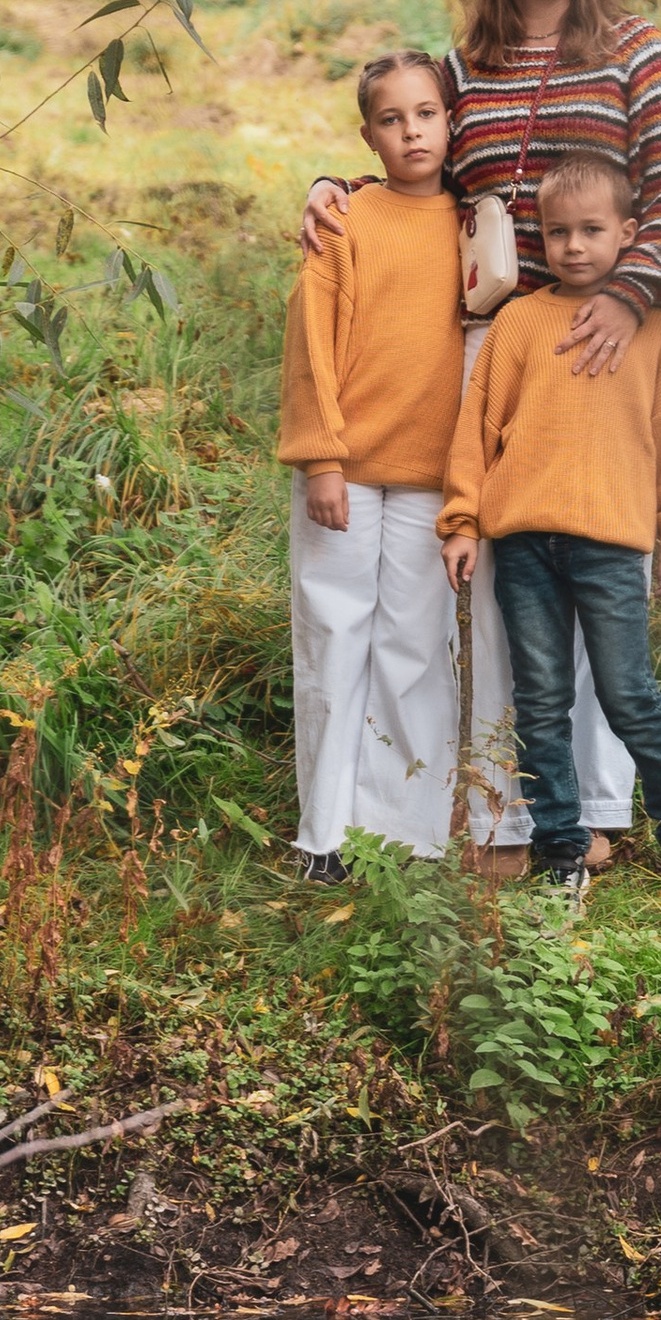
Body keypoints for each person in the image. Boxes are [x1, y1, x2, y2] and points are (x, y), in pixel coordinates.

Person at [301, 0, 661, 875]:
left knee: (603, 565)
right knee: (501, 582)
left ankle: (606, 808)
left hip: (610, 334)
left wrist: (627, 297)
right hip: (498, 340)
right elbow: (418, 157)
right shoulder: (463, 64)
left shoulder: (633, 54)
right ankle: (514, 817)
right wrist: (339, 184)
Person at [440, 151, 661, 908]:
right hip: (526, 544)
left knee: (627, 692)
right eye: (558, 231)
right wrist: (464, 521)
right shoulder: (519, 325)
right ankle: (562, 847)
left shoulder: (653, 329)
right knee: (539, 701)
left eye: (592, 230)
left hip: (612, 543)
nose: (573, 246)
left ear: (629, 233)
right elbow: (478, 432)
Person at [277, 53, 466, 882]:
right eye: (392, 120)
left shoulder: (475, 225)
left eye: (426, 113)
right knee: (334, 636)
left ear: (451, 119)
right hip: (345, 473)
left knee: (415, 647)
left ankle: (406, 830)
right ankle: (324, 830)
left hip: (433, 476)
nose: (412, 131)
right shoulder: (346, 221)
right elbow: (309, 348)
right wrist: (321, 458)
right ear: (369, 135)